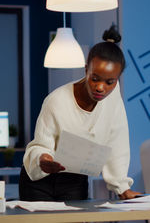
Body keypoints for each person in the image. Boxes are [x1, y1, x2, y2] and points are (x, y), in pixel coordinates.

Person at [19, 26, 140, 201]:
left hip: (75, 180)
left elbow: (117, 140)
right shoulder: (56, 101)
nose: (101, 87)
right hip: (39, 181)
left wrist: (121, 188)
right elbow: (41, 145)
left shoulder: (112, 97)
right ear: (86, 70)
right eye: (95, 78)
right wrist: (43, 159)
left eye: (109, 81)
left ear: (117, 79)